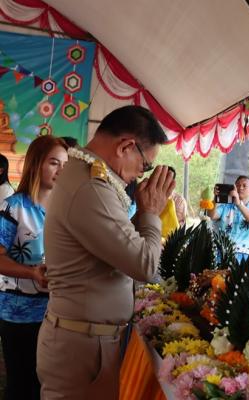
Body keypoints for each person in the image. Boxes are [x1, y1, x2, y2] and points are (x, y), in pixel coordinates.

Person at [36, 105, 175, 400]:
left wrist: (144, 217)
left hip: (85, 338)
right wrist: (151, 213)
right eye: (145, 165)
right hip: (82, 344)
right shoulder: (92, 187)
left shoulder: (89, 177)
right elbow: (144, 265)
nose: (141, 174)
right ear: (125, 146)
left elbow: (116, 243)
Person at [0, 135, 68, 400]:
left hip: (57, 312)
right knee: (21, 384)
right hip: (19, 313)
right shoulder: (14, 207)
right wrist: (31, 272)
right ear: (36, 163)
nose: (61, 170)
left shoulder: (65, 210)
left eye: (65, 165)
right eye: (54, 163)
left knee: (47, 384)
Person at [208, 175, 249, 262]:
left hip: (245, 256)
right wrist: (215, 199)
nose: (240, 188)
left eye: (244, 186)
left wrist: (238, 204)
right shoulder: (225, 206)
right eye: (237, 185)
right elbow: (211, 215)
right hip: (222, 253)